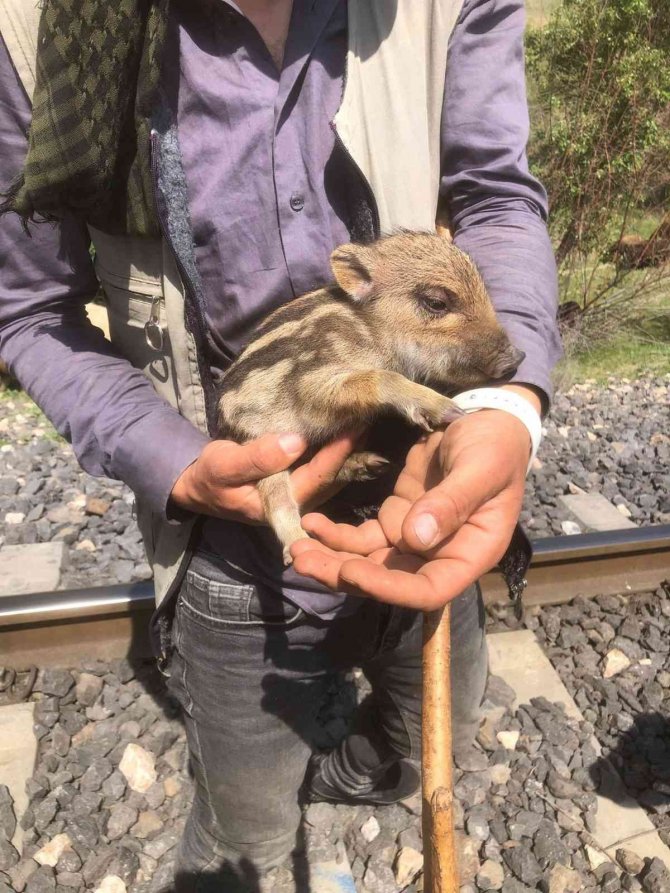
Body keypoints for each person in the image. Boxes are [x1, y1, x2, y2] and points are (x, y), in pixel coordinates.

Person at [0, 0, 561, 888]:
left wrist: (507, 404)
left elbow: (493, 192)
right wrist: (176, 463)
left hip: (428, 511)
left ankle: (354, 772)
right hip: (237, 554)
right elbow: (30, 307)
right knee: (243, 845)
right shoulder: (33, 26)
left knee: (422, 743)